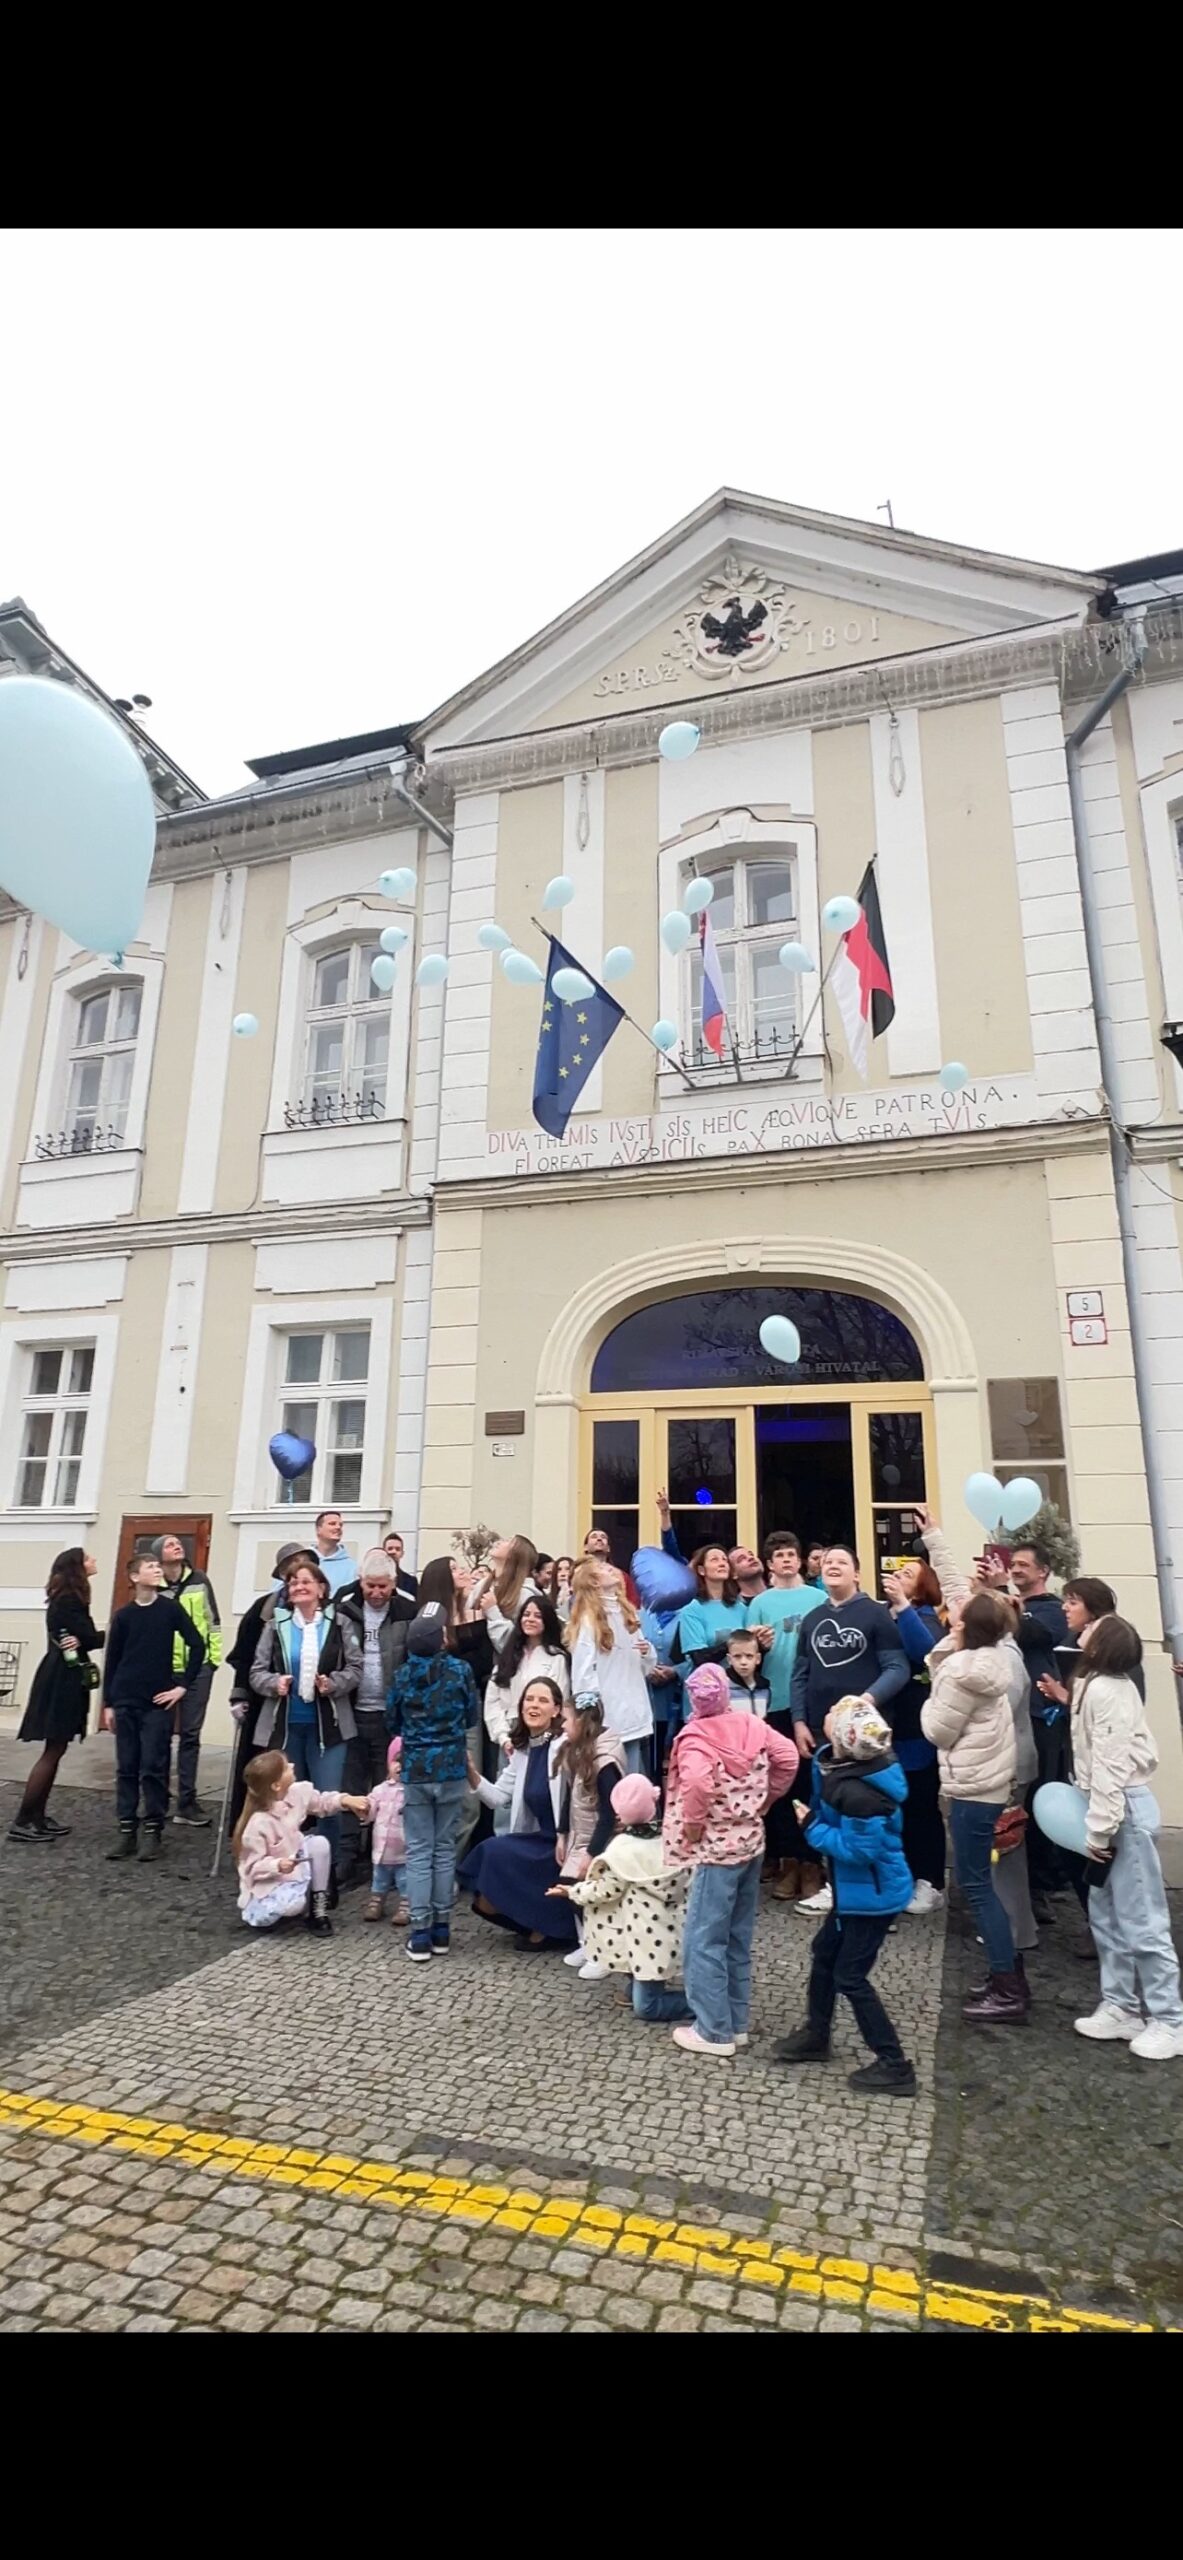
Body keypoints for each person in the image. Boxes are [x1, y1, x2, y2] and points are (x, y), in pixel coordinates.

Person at [773, 1697, 917, 2094]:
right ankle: (816, 2035)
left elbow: (858, 1851)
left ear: (842, 1736)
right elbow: (827, 1770)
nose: (828, 1711)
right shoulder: (845, 1765)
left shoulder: (861, 1795)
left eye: (835, 1714)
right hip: (856, 1892)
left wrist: (811, 1827)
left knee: (850, 1977)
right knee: (824, 1953)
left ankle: (895, 2064)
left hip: (873, 1897)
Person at [662, 1660, 798, 2058]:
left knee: (704, 1940)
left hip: (715, 1853)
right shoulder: (752, 1724)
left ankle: (713, 2029)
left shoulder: (696, 1737)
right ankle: (736, 2023)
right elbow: (788, 1756)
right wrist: (768, 1797)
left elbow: (698, 1782)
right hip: (751, 1844)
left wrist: (693, 1824)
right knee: (737, 1937)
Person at [1068, 1614, 1183, 2060]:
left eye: (1092, 1629)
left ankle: (1170, 2020)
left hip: (1119, 1812)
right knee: (1107, 1916)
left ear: (1103, 1645)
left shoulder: (1109, 1691)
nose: (1083, 1629)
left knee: (1143, 1920)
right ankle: (1120, 2006)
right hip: (1103, 1809)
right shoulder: (1092, 1684)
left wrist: (1100, 1830)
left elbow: (1110, 1767)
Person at [789, 1546, 909, 1914]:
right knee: (828, 1810)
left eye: (842, 1562)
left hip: (864, 1740)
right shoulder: (812, 1619)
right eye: (827, 1562)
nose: (833, 1566)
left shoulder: (876, 1614)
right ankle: (836, 1887)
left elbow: (898, 1668)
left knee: (869, 1817)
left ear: (857, 1573)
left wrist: (863, 1704)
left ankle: (882, 1895)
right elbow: (800, 1674)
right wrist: (798, 1720)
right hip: (820, 1734)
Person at [922, 1590, 1024, 2023]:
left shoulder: (960, 1673)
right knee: (981, 1882)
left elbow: (937, 1731)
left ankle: (1007, 1988)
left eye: (958, 1616)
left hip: (971, 1788)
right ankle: (1008, 1973)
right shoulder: (993, 1659)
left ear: (966, 1625)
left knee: (976, 1886)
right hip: (989, 1783)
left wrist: (928, 1701)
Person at [552, 1773, 693, 2022]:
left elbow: (605, 1889)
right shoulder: (671, 1839)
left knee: (647, 2007)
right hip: (668, 1934)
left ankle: (705, 2004)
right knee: (644, 1970)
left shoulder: (621, 1850)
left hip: (643, 1939)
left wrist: (572, 1891)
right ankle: (639, 1987)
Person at [248, 1559, 361, 1863]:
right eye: (293, 1582)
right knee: (283, 1800)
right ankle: (285, 1865)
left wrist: (332, 1684)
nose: (298, 1586)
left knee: (329, 1801)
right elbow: (256, 1672)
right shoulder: (276, 1625)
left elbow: (356, 1668)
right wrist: (274, 1683)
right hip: (284, 1729)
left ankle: (327, 1869)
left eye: (305, 1581)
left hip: (329, 1729)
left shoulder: (340, 1624)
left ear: (321, 1589)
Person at [386, 1602, 480, 1962]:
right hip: (452, 1767)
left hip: (416, 1770)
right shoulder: (460, 1670)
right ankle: (442, 1928)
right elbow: (471, 1715)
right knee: (443, 1850)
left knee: (419, 1851)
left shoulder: (403, 1675)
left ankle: (420, 1932)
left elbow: (391, 1721)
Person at [100, 1554, 206, 1862]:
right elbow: (113, 1660)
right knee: (126, 1767)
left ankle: (153, 1831)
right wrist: (109, 1703)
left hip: (158, 1703)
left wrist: (182, 1686)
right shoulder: (123, 1616)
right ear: (135, 1577)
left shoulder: (170, 1609)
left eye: (158, 1566)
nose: (157, 1570)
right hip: (126, 1700)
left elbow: (197, 1644)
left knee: (153, 1767)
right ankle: (126, 1830)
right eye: (150, 1567)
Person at [984, 1538, 1068, 1910]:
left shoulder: (1052, 1609)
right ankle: (1017, 1881)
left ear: (1043, 1571)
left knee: (1037, 1798)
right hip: (1006, 1716)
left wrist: (1001, 1590)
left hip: (1039, 1718)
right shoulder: (1011, 1603)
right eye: (1012, 1564)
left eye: (1023, 1565)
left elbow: (1031, 1633)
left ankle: (1042, 1885)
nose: (1016, 1569)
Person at [461, 1675, 575, 1948]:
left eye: (543, 1700)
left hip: (564, 1841)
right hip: (539, 1838)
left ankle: (551, 1929)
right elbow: (497, 1798)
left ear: (556, 1710)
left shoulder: (564, 1747)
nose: (534, 1705)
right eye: (529, 1699)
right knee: (489, 1860)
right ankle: (535, 1924)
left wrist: (566, 1837)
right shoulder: (523, 1751)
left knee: (495, 1851)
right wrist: (470, 1772)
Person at [746, 1531, 826, 1902]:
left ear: (801, 1560)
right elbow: (745, 1654)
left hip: (811, 1701)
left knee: (811, 1784)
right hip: (774, 1700)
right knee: (780, 1785)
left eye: (792, 1554)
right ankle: (788, 1861)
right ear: (770, 1564)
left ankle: (812, 1863)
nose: (787, 1560)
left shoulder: (818, 1597)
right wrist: (758, 1645)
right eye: (779, 1555)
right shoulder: (760, 1603)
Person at [9, 1548, 103, 1844]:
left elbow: (81, 1637)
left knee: (56, 1748)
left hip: (60, 1674)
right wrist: (112, 1632)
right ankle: (24, 1820)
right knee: (53, 1750)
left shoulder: (65, 1597)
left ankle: (37, 1816)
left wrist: (85, 1638)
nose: (94, 1561)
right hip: (63, 1679)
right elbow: (89, 1637)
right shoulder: (70, 1599)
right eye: (89, 1558)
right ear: (77, 1567)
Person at [335, 1551, 416, 1888]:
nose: (377, 1593)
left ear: (393, 1584)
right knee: (350, 1785)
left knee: (389, 1789)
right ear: (361, 1581)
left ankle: (382, 1857)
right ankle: (346, 1855)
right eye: (371, 1586)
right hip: (352, 1710)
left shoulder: (407, 1610)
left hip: (390, 1715)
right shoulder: (344, 1608)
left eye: (383, 1586)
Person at [225, 1543, 317, 1838]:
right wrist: (239, 1694)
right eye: (294, 1564)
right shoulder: (264, 1609)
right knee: (262, 1768)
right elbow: (245, 1656)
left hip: (307, 1707)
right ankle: (253, 1830)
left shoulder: (323, 1609)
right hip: (264, 1700)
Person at [233, 1749, 368, 1937]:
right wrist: (276, 1865)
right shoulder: (257, 1823)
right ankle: (293, 1901)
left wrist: (346, 1800)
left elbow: (321, 1802)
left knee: (319, 1844)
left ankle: (317, 1906)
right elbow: (251, 1867)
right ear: (276, 1785)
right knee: (291, 1907)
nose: (292, 1765)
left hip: (293, 1867)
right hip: (269, 1880)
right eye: (285, 1768)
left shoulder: (297, 1792)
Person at [417, 1554, 497, 1855]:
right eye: (453, 1569)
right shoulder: (430, 1623)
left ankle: (455, 1861)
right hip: (440, 1711)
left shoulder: (479, 1613)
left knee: (471, 1795)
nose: (462, 1571)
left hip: (473, 1707)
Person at [880, 1554, 947, 1913]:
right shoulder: (885, 1615)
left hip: (915, 1729)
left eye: (908, 1574)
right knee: (897, 1807)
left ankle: (930, 1880)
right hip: (888, 1727)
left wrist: (904, 1608)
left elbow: (926, 1653)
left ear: (922, 1587)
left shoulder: (927, 1619)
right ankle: (901, 1876)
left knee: (921, 1806)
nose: (898, 1576)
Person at [151, 1533, 223, 1829]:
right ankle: (157, 1799)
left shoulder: (199, 1580)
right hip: (164, 1670)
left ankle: (187, 1802)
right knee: (160, 1735)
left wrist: (213, 1660)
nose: (177, 1545)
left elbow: (213, 1620)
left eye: (178, 1542)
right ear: (159, 1556)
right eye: (169, 1544)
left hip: (198, 1668)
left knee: (191, 1735)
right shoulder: (154, 1585)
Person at [553, 1693, 626, 1977]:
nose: (562, 1724)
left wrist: (591, 1853)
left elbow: (609, 1814)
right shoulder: (576, 1751)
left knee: (592, 1895)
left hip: (598, 1839)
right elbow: (569, 1796)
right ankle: (587, 1943)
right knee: (570, 1888)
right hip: (578, 1833)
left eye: (567, 1719)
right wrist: (562, 1834)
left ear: (581, 1721)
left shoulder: (604, 1762)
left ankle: (603, 1953)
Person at [484, 1593, 571, 1828]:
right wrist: (503, 1736)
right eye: (526, 1614)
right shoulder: (508, 1656)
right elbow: (493, 1700)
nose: (530, 1619)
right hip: (510, 1731)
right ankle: (504, 1840)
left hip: (542, 1734)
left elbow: (560, 1699)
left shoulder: (557, 1658)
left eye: (537, 1616)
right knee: (504, 1795)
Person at [567, 1559, 656, 1776]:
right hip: (607, 1716)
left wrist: (647, 1652)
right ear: (594, 1582)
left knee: (634, 1776)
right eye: (601, 1568)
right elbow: (583, 1673)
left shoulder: (628, 1615)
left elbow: (644, 1668)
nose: (610, 1568)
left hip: (634, 1710)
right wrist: (592, 1716)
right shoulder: (588, 1621)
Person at [675, 1546, 746, 1669]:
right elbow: (699, 1658)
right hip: (707, 1679)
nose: (722, 1563)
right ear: (701, 1570)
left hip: (739, 1679)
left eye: (724, 1560)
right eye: (714, 1559)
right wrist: (737, 1642)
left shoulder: (741, 1608)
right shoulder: (692, 1609)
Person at [364, 1735, 409, 1926]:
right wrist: (365, 1809)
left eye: (405, 1762)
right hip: (381, 1849)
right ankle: (377, 1901)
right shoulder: (380, 1789)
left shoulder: (412, 1791)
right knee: (379, 1879)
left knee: (405, 1880)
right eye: (396, 1761)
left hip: (405, 1851)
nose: (400, 1766)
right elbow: (371, 1810)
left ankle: (406, 1905)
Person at [474, 1534, 541, 1650]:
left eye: (508, 1541)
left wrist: (492, 1611)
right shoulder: (483, 1584)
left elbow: (518, 1643)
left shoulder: (526, 1594)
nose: (498, 1542)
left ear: (516, 1555)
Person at [582, 1524, 640, 1606]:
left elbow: (633, 1603)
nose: (599, 1539)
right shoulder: (578, 1572)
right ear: (586, 1547)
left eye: (603, 1537)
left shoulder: (621, 1576)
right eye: (594, 1537)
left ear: (608, 1548)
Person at [723, 1626, 771, 1718]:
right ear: (729, 1659)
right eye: (737, 1656)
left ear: (758, 1658)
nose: (743, 1662)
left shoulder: (764, 1688)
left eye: (749, 1656)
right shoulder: (724, 1689)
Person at [313, 1508, 357, 1598]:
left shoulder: (352, 1567)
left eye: (340, 1525)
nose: (338, 1527)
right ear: (318, 1529)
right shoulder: (304, 1561)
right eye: (332, 1524)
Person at [382, 1530, 419, 1604]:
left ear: (402, 1554)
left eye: (397, 1549)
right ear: (383, 1551)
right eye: (390, 1548)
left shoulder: (411, 1581)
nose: (393, 1552)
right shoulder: (374, 1577)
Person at [551, 1556, 576, 1624]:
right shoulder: (547, 1598)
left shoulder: (579, 1599)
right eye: (559, 1570)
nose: (563, 1574)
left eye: (567, 1569)